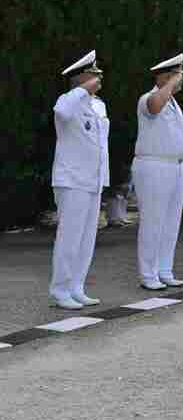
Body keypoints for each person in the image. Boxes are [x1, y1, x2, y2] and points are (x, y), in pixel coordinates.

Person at [50, 50, 108, 309]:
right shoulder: (67, 100)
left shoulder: (98, 105)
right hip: (71, 178)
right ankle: (60, 290)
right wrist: (82, 89)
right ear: (81, 77)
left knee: (86, 238)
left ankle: (77, 286)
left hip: (93, 179)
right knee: (69, 236)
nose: (99, 76)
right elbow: (61, 112)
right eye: (93, 73)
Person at [133, 54, 183, 290]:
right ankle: (148, 273)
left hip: (176, 166)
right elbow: (154, 107)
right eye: (178, 76)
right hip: (154, 165)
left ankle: (164, 269)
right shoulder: (149, 98)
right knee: (153, 221)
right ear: (166, 77)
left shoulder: (174, 104)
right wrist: (169, 83)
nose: (181, 81)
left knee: (171, 222)